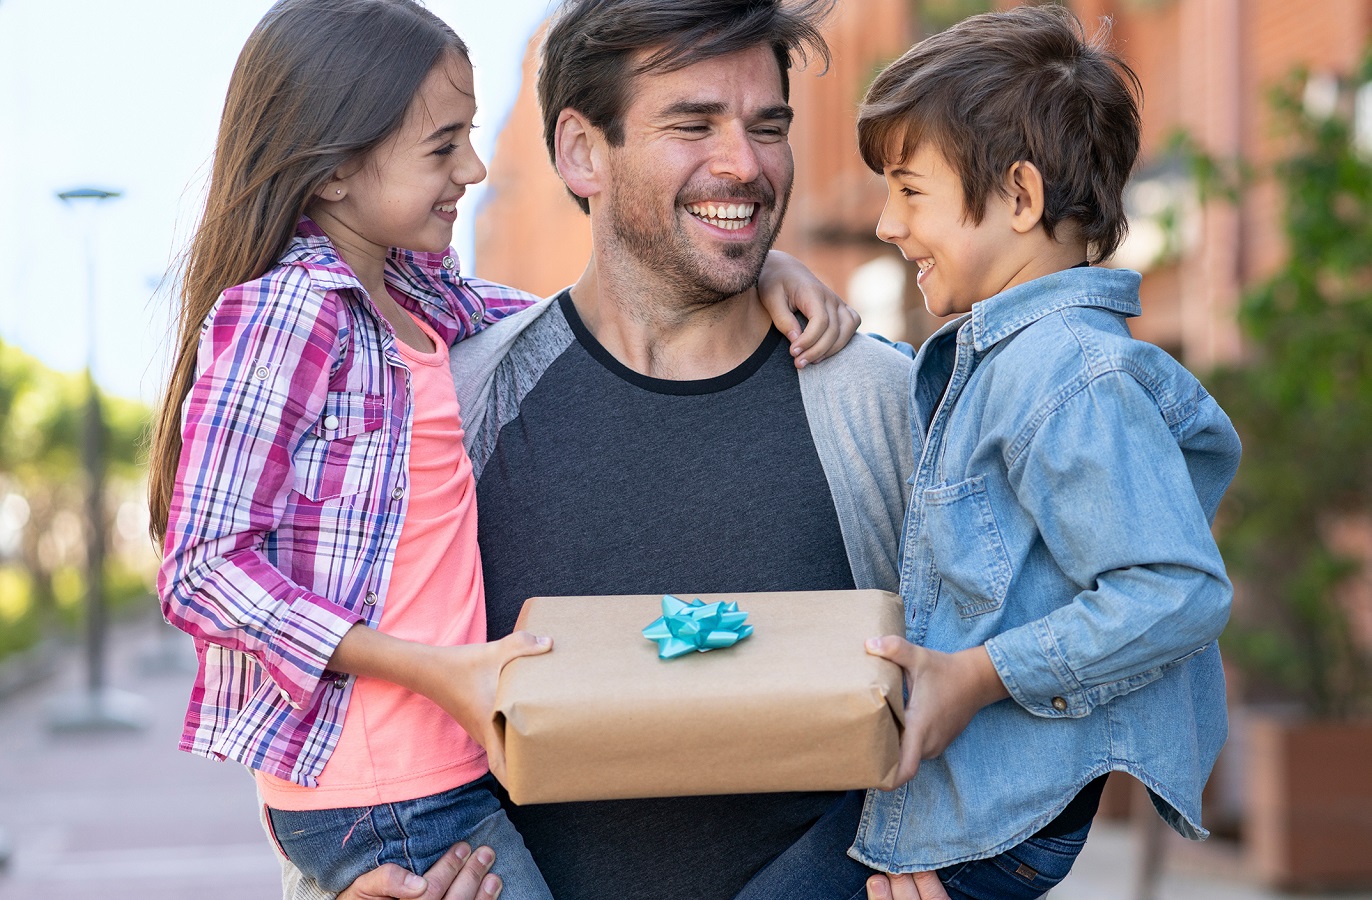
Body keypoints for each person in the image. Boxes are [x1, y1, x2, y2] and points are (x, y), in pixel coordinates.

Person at [148, 0, 859, 895]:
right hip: (390, 792)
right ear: (332, 169)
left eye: (470, 138)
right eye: (441, 146)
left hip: (432, 773)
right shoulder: (291, 311)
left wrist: (759, 264)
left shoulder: (422, 305)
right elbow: (201, 569)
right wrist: (438, 673)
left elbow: (573, 317)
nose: (474, 169)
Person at [852, 7, 1242, 899]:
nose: (884, 223)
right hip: (976, 809)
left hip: (999, 824)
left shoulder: (1065, 371)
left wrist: (978, 677)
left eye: (911, 191)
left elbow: (1176, 588)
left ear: (1020, 198)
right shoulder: (1011, 359)